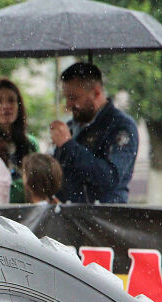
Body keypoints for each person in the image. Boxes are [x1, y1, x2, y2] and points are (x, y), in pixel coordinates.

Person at [49, 62, 138, 203]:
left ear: (96, 92)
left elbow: (110, 177)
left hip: (103, 216)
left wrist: (69, 145)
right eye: (66, 98)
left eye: (74, 98)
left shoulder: (121, 126)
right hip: (69, 215)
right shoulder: (71, 126)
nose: (68, 105)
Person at [0, 77, 40, 203]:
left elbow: (38, 183)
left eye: (11, 100)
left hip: (27, 214)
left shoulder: (30, 144)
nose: (5, 106)